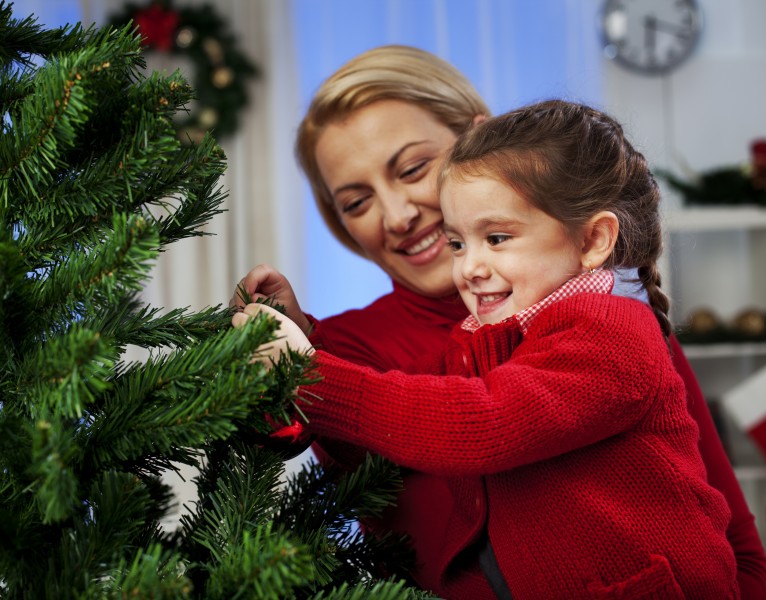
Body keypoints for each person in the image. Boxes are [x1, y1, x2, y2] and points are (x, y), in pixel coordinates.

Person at [231, 46, 766, 596]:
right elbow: (315, 452)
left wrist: (312, 371)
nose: (399, 215)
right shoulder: (345, 351)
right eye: (357, 202)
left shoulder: (606, 317)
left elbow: (733, 542)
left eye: (414, 169)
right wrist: (289, 350)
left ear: (480, 142)